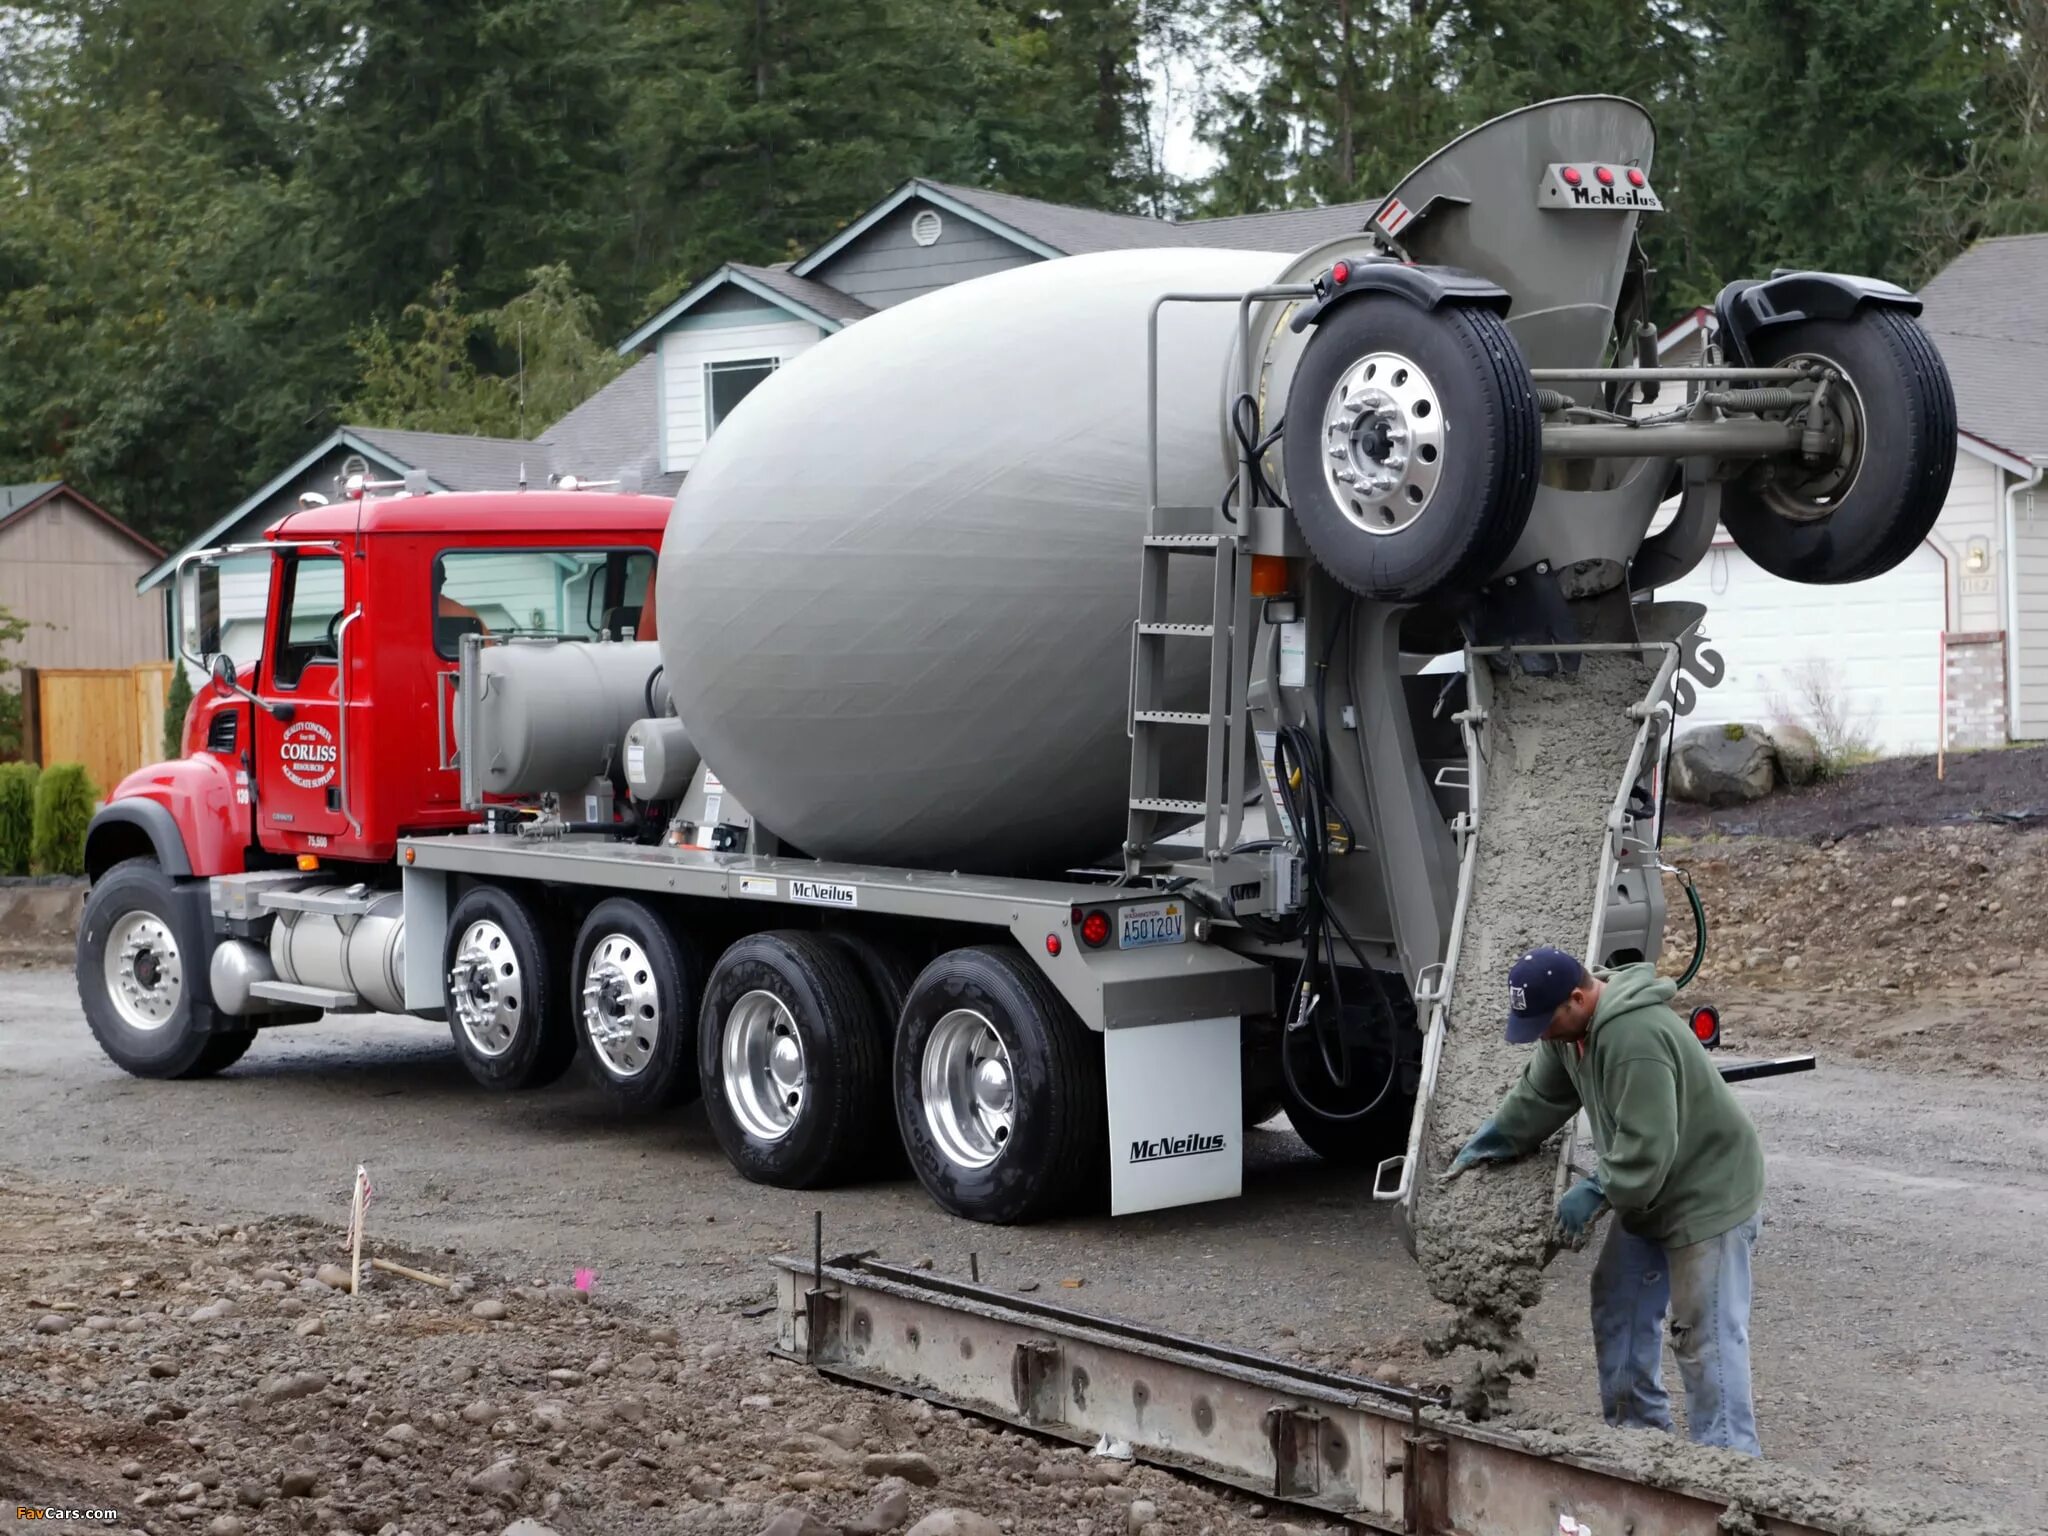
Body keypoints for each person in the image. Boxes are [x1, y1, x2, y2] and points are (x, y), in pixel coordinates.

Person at [1445, 945, 1766, 1454]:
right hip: (1650, 1193)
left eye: (1545, 1022)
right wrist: (1493, 1139)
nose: (1541, 1035)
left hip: (1708, 1193)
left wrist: (1595, 1190)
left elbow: (1647, 1148)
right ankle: (1636, 1442)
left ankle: (1731, 1469)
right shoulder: (1567, 1032)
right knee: (1618, 1301)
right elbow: (1540, 1098)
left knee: (1702, 1335)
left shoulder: (1633, 1036)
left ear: (1576, 997)